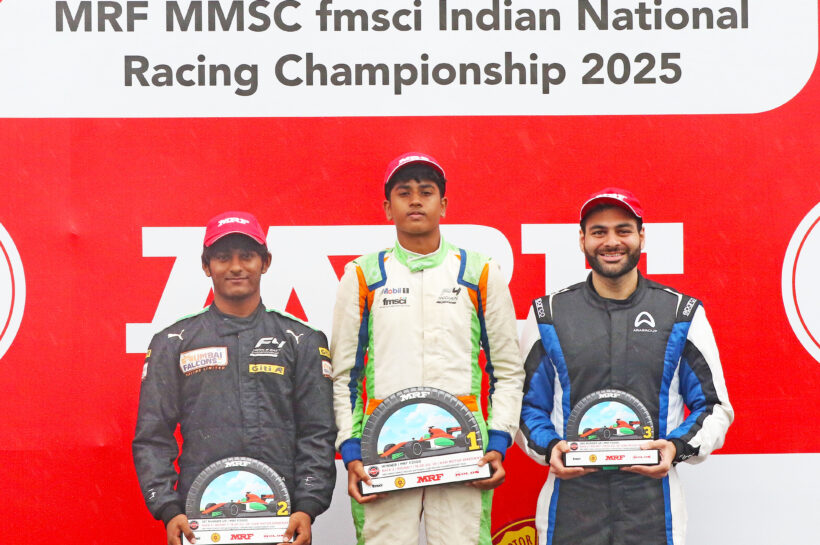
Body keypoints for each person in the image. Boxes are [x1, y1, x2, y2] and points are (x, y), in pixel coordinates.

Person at [516, 188, 734, 545]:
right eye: (599, 231)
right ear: (582, 239)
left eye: (623, 230)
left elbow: (715, 407)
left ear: (642, 237)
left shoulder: (682, 313)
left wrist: (676, 448)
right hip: (570, 508)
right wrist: (550, 447)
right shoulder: (549, 314)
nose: (611, 241)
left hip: (653, 509)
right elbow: (527, 407)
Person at [330, 152, 524, 545]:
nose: (415, 200)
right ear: (388, 208)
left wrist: (498, 441)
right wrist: (352, 450)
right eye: (404, 193)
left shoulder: (479, 270)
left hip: (462, 449)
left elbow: (508, 370)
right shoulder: (363, 274)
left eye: (426, 191)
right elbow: (343, 376)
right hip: (383, 450)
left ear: (444, 205)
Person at [133, 211, 336, 545]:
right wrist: (169, 509)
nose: (236, 267)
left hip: (282, 520)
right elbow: (152, 437)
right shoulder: (174, 342)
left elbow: (318, 431)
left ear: (265, 262)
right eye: (223, 257)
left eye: (247, 256)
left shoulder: (301, 339)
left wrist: (307, 507)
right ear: (206, 266)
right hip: (201, 518)